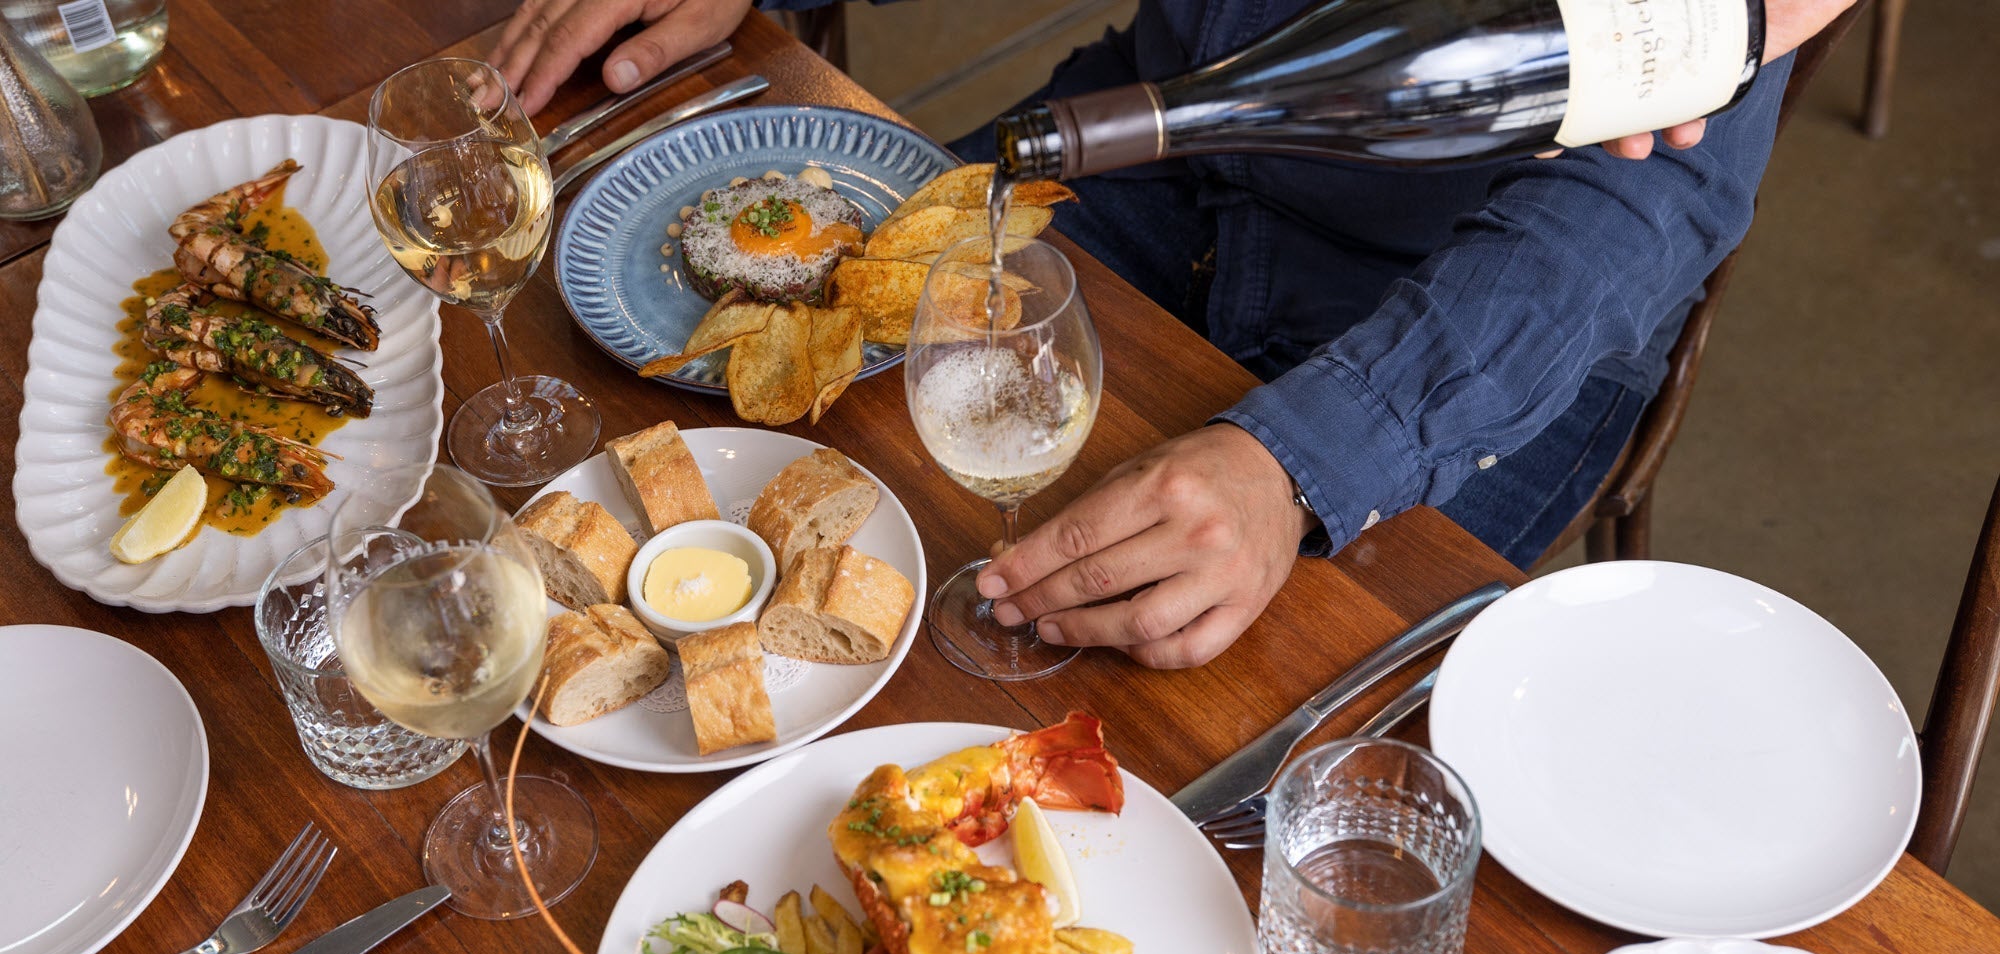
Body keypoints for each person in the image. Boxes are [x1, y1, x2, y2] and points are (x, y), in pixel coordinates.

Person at [494, 0, 1855, 669]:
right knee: (776, 488)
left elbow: (1639, 209)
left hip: (1461, 314)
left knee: (1192, 747)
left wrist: (1305, 460)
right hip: (1157, 146)